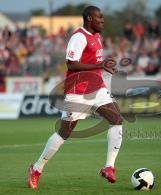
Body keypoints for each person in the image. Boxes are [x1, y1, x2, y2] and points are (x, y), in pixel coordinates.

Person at [28, 6, 123, 189]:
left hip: (97, 88)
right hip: (78, 91)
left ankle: (109, 167)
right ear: (89, 18)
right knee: (64, 133)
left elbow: (94, 63)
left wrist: (103, 67)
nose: (102, 21)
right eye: (99, 18)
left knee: (117, 119)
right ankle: (37, 168)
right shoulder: (79, 37)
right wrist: (100, 64)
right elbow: (72, 64)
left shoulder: (97, 36)